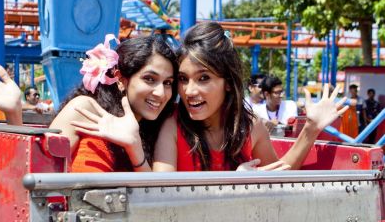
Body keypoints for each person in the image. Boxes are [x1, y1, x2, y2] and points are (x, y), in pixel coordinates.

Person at [76, 22, 349, 172]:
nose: (189, 91)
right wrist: (234, 185)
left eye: (203, 78)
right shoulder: (174, 125)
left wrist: (311, 129)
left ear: (228, 83)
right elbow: (157, 193)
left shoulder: (248, 127)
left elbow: (278, 173)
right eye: (183, 79)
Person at [0, 34, 178, 172]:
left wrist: (135, 148)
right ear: (121, 79)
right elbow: (34, 172)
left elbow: (155, 200)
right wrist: (14, 114)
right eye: (149, 79)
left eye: (168, 83)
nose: (161, 92)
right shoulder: (85, 109)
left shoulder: (160, 127)